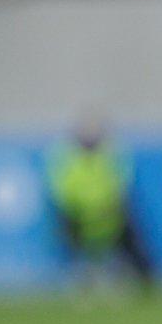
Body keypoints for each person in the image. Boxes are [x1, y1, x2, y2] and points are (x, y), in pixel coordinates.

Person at [45, 117, 153, 291]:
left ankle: (143, 276)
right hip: (81, 218)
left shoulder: (110, 158)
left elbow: (120, 190)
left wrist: (105, 208)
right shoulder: (68, 161)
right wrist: (88, 210)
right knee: (64, 226)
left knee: (133, 228)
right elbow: (63, 196)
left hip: (109, 216)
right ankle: (77, 272)